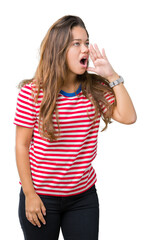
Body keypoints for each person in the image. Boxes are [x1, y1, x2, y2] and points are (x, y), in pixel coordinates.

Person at [14, 15, 137, 240]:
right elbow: (22, 145)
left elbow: (128, 117)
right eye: (77, 43)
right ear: (59, 49)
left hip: (82, 198)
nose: (86, 49)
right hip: (41, 197)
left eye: (87, 42)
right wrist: (30, 194)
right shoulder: (33, 93)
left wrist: (111, 75)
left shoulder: (94, 89)